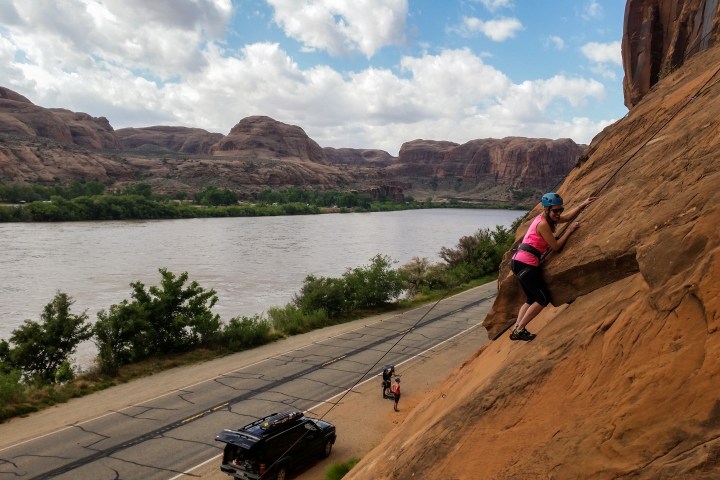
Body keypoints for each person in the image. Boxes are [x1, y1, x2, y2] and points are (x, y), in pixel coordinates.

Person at [509, 192, 596, 341]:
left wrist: (583, 204)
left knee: (531, 298)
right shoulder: (543, 224)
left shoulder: (546, 219)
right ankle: (520, 329)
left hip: (519, 261)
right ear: (546, 209)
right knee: (542, 298)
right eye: (555, 210)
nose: (558, 213)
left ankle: (517, 328)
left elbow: (567, 217)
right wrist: (569, 231)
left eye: (560, 209)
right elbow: (555, 247)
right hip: (526, 263)